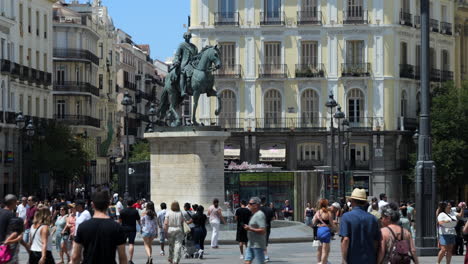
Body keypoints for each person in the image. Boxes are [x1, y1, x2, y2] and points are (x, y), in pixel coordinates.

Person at [71, 191, 127, 264]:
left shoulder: (83, 227)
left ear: (93, 205)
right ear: (108, 204)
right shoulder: (116, 227)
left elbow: (75, 257)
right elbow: (122, 258)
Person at [340, 188, 381, 264]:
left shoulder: (346, 217)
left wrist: (344, 260)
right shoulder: (373, 218)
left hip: (352, 259)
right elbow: (376, 241)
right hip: (369, 259)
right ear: (365, 203)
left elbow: (345, 239)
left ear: (352, 201)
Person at [173, 32, 198, 97]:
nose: (187, 37)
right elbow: (177, 55)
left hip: (193, 64)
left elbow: (197, 56)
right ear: (184, 37)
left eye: (188, 36)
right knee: (183, 74)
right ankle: (182, 91)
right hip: (184, 63)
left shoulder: (194, 47)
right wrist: (176, 61)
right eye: (186, 36)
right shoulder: (181, 45)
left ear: (190, 37)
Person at [243, 197, 266, 264]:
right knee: (247, 261)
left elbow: (263, 230)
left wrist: (250, 229)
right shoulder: (254, 214)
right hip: (251, 243)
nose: (248, 205)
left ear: (255, 205)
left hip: (257, 244)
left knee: (260, 262)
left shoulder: (260, 215)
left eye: (250, 203)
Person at [313, 199, 336, 264]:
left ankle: (319, 262)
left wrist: (318, 224)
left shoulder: (318, 212)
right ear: (326, 204)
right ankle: (323, 262)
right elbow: (331, 224)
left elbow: (314, 222)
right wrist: (335, 227)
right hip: (326, 231)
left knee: (319, 249)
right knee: (325, 251)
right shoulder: (328, 213)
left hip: (319, 231)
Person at [119, 198, 141, 264]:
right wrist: (141, 227)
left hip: (124, 229)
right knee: (131, 244)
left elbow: (119, 221)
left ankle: (122, 260)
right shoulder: (135, 211)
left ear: (126, 203)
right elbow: (138, 221)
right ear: (133, 204)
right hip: (132, 229)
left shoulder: (122, 211)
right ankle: (130, 260)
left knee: (122, 244)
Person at [260, 197, 275, 262]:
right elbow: (273, 218)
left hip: (260, 227)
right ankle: (264, 256)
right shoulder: (269, 209)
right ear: (265, 201)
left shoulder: (258, 209)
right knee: (264, 242)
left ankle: (265, 256)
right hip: (267, 227)